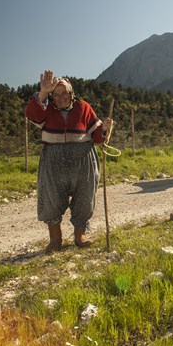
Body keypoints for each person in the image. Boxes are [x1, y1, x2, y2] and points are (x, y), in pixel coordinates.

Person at [25, 70, 114, 253]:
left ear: (71, 93)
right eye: (55, 95)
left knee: (85, 197)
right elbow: (31, 115)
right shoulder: (46, 108)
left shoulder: (84, 108)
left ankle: (80, 236)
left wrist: (104, 129)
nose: (60, 98)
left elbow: (97, 137)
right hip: (53, 160)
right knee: (51, 198)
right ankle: (55, 240)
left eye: (64, 93)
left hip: (83, 160)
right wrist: (43, 93)